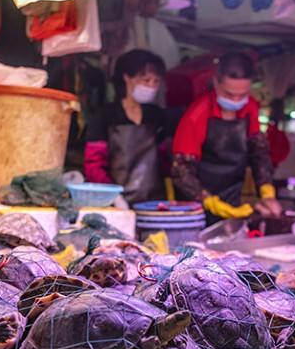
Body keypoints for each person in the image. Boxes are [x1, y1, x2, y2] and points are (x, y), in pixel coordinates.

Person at [171, 52, 281, 221]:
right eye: (230, 94)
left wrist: (267, 192)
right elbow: (181, 171)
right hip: (194, 207)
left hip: (233, 197)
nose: (236, 100)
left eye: (242, 94)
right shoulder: (196, 115)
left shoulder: (250, 107)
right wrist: (208, 201)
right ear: (216, 82)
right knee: (191, 247)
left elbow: (258, 152)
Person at [84, 49, 167, 205]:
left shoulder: (156, 116)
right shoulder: (105, 116)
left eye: (156, 81)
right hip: (116, 202)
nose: (152, 86)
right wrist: (114, 197)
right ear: (127, 78)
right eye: (146, 80)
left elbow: (164, 161)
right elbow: (93, 165)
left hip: (155, 202)